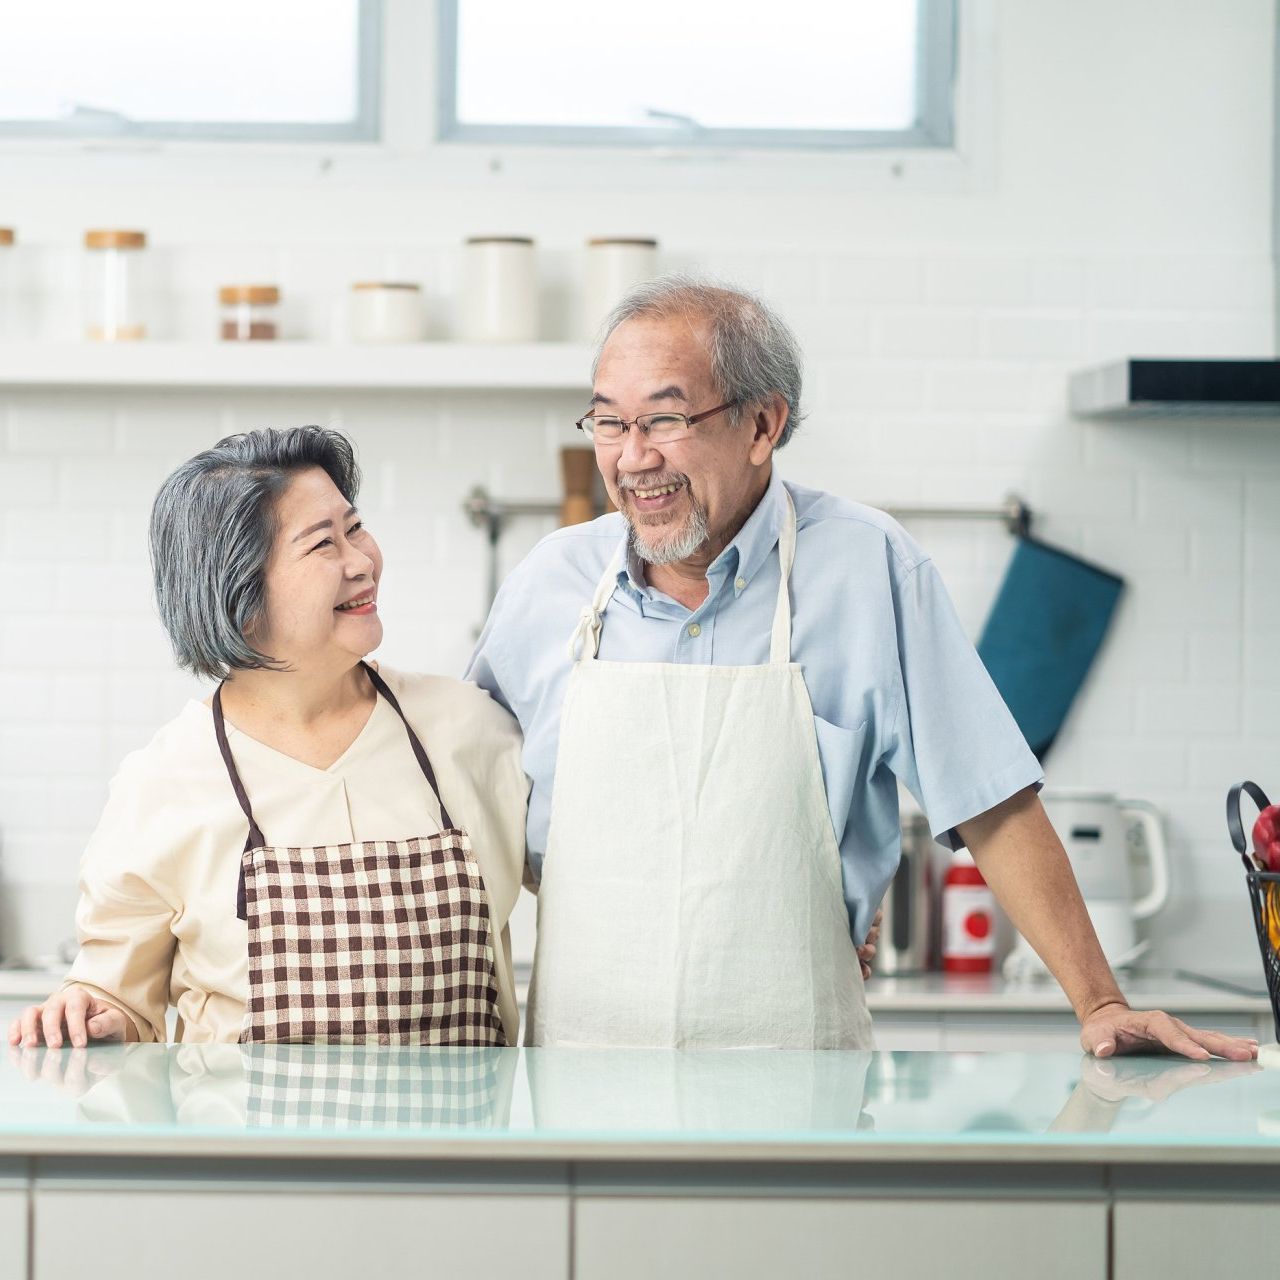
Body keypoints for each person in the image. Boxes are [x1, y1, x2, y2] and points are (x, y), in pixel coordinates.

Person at [467, 276, 1257, 1060]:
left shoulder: (868, 567)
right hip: (583, 1079)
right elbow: (464, 803)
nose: (632, 458)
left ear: (762, 425)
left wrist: (1100, 1000)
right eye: (609, 422)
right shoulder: (552, 582)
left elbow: (992, 804)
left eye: (664, 419)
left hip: (797, 1078)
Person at [9, 427, 527, 1048]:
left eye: (355, 527)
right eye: (322, 545)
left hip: (463, 1148)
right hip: (250, 1148)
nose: (362, 561)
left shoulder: (474, 731)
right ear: (240, 595)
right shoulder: (164, 782)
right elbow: (119, 999)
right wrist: (93, 1015)